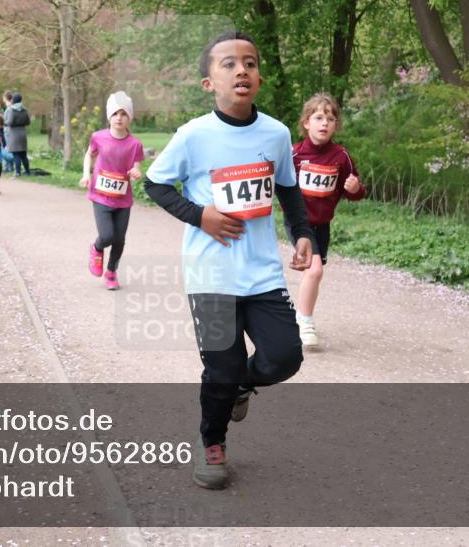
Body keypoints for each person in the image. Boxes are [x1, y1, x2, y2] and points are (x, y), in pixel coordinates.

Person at [144, 31, 316, 490]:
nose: (242, 70)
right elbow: (155, 184)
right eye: (229, 64)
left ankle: (239, 385)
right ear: (209, 84)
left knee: (284, 357)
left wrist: (302, 234)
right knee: (219, 367)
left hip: (261, 273)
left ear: (259, 77)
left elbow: (289, 190)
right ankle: (212, 442)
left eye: (251, 63)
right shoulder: (193, 136)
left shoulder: (277, 133)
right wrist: (201, 216)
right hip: (210, 274)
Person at [288, 93, 366, 349]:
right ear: (306, 123)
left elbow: (355, 192)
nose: (324, 123)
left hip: (323, 225)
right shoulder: (294, 155)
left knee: (313, 273)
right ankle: (305, 323)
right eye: (318, 117)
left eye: (330, 119)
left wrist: (354, 189)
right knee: (315, 269)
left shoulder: (341, 157)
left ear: (336, 125)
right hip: (299, 223)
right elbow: (279, 187)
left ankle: (299, 316)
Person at [78, 91, 144, 291]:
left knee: (119, 240)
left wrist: (136, 172)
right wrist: (86, 174)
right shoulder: (98, 137)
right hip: (101, 196)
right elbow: (89, 155)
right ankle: (97, 248)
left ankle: (111, 272)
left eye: (124, 114)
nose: (119, 118)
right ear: (109, 117)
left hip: (123, 199)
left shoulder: (135, 144)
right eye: (115, 114)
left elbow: (137, 165)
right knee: (106, 236)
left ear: (129, 118)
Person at [4, 92, 32, 176]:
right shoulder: (24, 109)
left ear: (13, 100)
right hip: (23, 132)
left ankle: (18, 172)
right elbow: (28, 122)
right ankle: (27, 171)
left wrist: (4, 122)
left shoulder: (12, 109)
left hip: (14, 133)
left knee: (16, 154)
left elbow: (10, 122)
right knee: (23, 154)